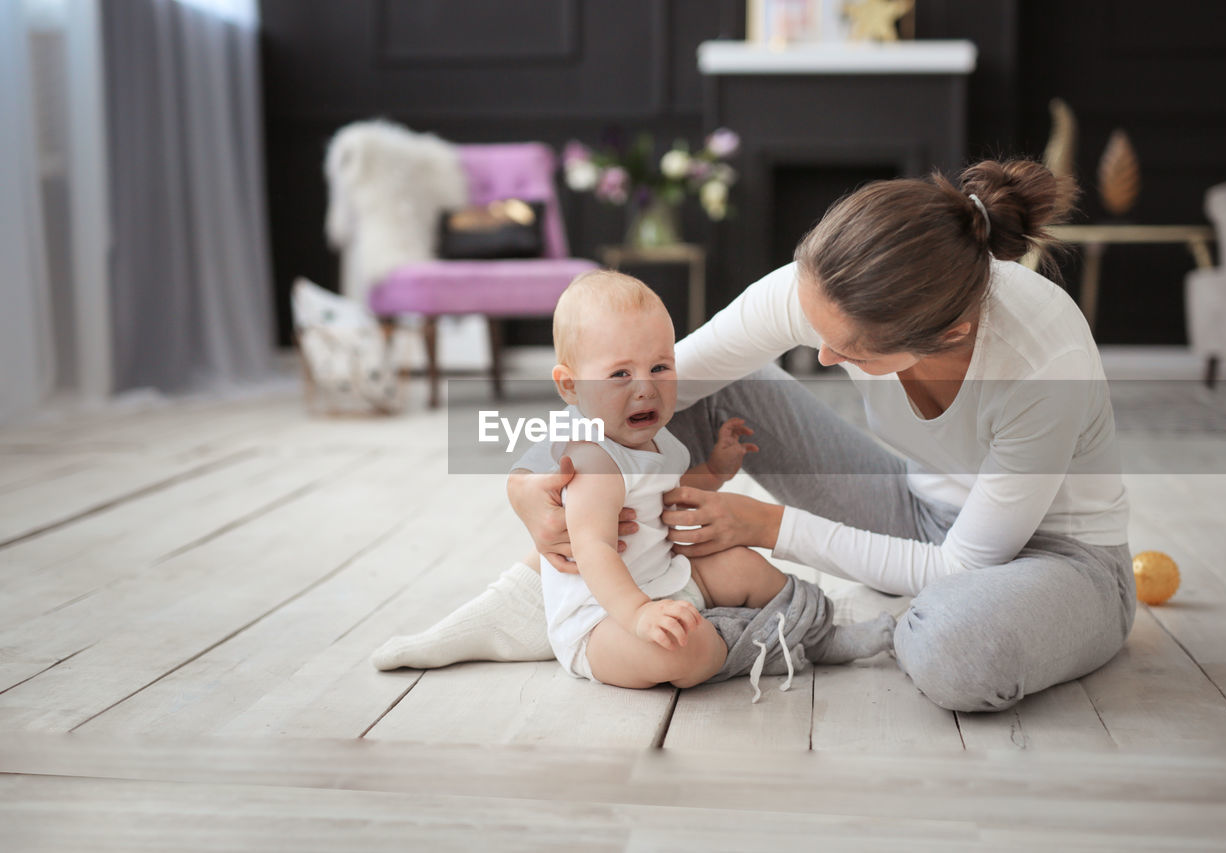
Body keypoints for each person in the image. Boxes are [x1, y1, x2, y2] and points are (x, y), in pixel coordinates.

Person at [377, 159, 1137, 714]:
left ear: (951, 331)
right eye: (818, 332)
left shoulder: (1043, 360)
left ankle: (717, 618)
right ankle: (555, 594)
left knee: (950, 649)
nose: (827, 360)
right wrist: (527, 478)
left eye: (853, 352)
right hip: (911, 508)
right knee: (663, 385)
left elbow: (963, 565)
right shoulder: (828, 288)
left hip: (1057, 561)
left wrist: (770, 525)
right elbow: (629, 393)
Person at [372, 271, 895, 686]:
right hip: (603, 621)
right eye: (620, 374)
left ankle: (817, 634)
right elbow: (596, 553)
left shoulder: (657, 439)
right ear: (570, 385)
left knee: (745, 567)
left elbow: (669, 497)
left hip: (668, 580)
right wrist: (640, 615)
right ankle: (763, 645)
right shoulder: (592, 460)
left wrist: (712, 469)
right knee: (681, 654)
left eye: (661, 368)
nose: (645, 389)